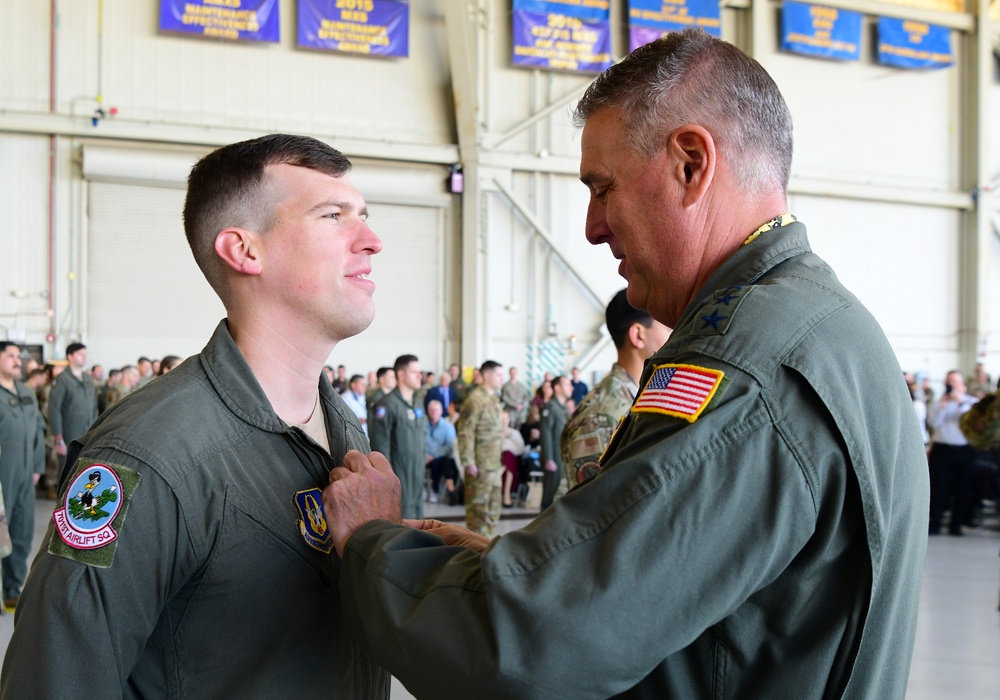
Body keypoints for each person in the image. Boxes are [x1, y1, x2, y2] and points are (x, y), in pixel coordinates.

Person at [321, 30, 928, 699]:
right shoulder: (824, 326)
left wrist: (374, 544)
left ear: (691, 164)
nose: (591, 225)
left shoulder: (748, 367)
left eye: (603, 187)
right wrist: (514, 564)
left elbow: (531, 646)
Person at [1, 134, 388, 697]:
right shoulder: (146, 456)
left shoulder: (344, 430)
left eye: (364, 217)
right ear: (244, 250)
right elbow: (55, 681)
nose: (372, 241)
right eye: (333, 216)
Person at [561, 289, 671, 487]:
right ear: (638, 334)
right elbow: (591, 505)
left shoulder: (637, 398)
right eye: (668, 328)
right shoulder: (603, 415)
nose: (675, 336)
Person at [0, 342, 45, 609]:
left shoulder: (26, 392)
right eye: (11, 356)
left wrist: (38, 467)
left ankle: (13, 588)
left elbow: (38, 430)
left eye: (19, 356)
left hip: (26, 473)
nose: (18, 361)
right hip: (3, 474)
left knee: (22, 531)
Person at [369, 354, 426, 519]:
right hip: (399, 476)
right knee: (402, 521)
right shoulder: (386, 405)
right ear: (401, 375)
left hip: (417, 472)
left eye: (419, 372)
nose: (419, 376)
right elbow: (380, 447)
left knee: (419, 520)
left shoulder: (417, 403)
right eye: (414, 372)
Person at [456, 361, 505, 535]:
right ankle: (475, 554)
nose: (502, 378)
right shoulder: (475, 400)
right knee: (478, 513)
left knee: (492, 511)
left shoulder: (493, 399)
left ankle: (487, 547)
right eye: (498, 375)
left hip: (493, 465)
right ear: (487, 376)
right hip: (480, 466)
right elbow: (465, 432)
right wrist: (468, 462)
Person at [927, 370, 978, 535]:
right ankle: (935, 523)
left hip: (965, 449)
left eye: (955, 382)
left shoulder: (971, 403)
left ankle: (956, 525)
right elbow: (933, 423)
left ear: (963, 385)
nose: (952, 385)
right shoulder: (937, 403)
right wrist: (942, 407)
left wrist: (960, 403)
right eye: (949, 382)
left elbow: (972, 422)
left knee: (963, 488)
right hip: (943, 448)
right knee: (939, 487)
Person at [47, 342, 98, 491]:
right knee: (67, 470)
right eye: (80, 354)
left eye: (85, 354)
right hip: (69, 434)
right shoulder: (62, 379)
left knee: (85, 469)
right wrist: (59, 439)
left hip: (88, 432)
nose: (84, 357)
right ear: (70, 356)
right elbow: (54, 409)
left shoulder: (88, 379)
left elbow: (93, 406)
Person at [539, 374, 571, 508]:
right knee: (550, 494)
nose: (571, 388)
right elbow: (545, 433)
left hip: (562, 457)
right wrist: (548, 459)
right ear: (557, 388)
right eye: (567, 384)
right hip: (554, 458)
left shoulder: (563, 408)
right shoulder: (551, 407)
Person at [424, 399, 459, 504]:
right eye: (431, 410)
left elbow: (449, 446)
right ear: (428, 411)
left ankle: (435, 490)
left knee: (438, 462)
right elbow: (418, 443)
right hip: (423, 457)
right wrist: (424, 456)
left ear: (441, 412)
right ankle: (417, 489)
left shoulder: (448, 426)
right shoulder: (422, 426)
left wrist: (434, 456)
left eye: (436, 410)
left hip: (440, 457)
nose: (434, 412)